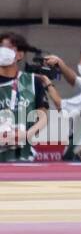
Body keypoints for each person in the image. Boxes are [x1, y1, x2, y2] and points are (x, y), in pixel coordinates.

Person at [0, 32, 48, 162]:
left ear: (20, 55)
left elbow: (43, 116)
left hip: (24, 156)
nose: (2, 51)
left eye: (8, 48)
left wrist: (26, 135)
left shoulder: (32, 81)